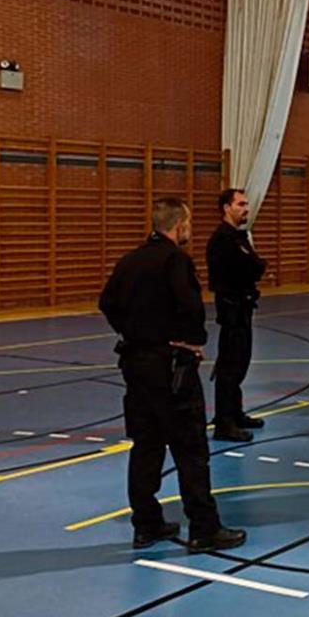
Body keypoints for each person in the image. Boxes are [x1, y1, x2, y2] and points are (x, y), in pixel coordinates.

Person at [99, 197, 246, 553]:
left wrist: (133, 332)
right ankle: (204, 528)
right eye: (188, 225)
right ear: (178, 225)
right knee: (190, 450)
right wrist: (191, 342)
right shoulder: (175, 261)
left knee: (146, 446)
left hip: (136, 365)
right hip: (171, 367)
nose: (190, 231)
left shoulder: (130, 260)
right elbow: (190, 307)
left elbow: (107, 303)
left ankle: (146, 525)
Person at [206, 189, 267, 443]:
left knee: (240, 364)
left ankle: (234, 412)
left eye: (246, 204)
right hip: (232, 309)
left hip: (242, 308)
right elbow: (252, 267)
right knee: (229, 368)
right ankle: (224, 422)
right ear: (226, 208)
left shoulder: (238, 237)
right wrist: (255, 267)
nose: (246, 209)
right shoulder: (223, 239)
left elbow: (255, 265)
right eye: (240, 204)